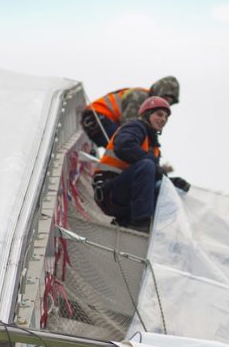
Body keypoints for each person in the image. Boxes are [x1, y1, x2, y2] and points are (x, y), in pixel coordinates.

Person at [92, 96, 189, 232]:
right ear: (147, 114)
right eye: (159, 114)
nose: (163, 119)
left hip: (124, 195)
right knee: (147, 165)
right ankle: (140, 223)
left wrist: (172, 182)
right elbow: (123, 146)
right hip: (109, 191)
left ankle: (128, 222)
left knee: (163, 188)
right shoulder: (135, 127)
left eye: (166, 117)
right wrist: (153, 164)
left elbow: (151, 177)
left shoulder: (153, 148)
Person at [81, 76, 181, 148]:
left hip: (97, 119)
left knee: (127, 148)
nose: (166, 103)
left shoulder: (146, 103)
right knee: (127, 145)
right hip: (96, 117)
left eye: (170, 102)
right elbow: (129, 125)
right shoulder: (141, 97)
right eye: (165, 98)